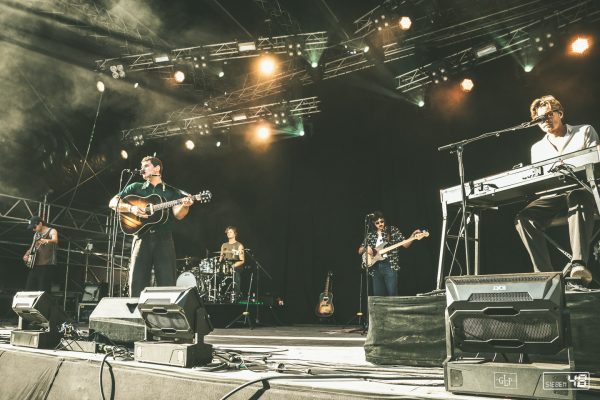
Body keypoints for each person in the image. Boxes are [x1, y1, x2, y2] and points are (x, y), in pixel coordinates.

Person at [515, 95, 599, 285]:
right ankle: (545, 276)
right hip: (554, 194)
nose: (544, 121)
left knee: (578, 196)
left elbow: (595, 162)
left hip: (583, 189)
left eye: (548, 115)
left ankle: (579, 264)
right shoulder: (536, 148)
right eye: (539, 119)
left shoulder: (584, 131)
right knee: (523, 218)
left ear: (560, 113)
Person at [109, 156, 194, 297]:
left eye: (146, 166)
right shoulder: (135, 187)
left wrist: (185, 206)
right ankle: (136, 316)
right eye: (141, 166)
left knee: (167, 283)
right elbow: (113, 203)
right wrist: (132, 209)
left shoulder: (171, 191)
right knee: (136, 281)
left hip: (164, 239)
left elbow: (178, 215)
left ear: (157, 168)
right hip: (141, 238)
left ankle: (166, 317)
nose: (142, 169)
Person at [358, 212, 420, 296]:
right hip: (375, 267)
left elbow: (405, 244)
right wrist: (366, 248)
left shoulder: (392, 230)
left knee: (392, 295)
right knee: (378, 296)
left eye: (382, 221)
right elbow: (360, 250)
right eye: (377, 222)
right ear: (373, 223)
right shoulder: (370, 235)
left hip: (389, 265)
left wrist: (413, 236)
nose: (380, 224)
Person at [22, 216, 59, 291]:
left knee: (43, 290)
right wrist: (26, 255)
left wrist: (46, 240)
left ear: (40, 224)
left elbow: (55, 240)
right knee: (29, 289)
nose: (33, 229)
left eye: (34, 227)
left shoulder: (52, 230)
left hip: (47, 266)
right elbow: (32, 247)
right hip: (35, 266)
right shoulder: (36, 234)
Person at [219, 226, 245, 301]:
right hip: (226, 267)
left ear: (235, 234)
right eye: (227, 232)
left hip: (236, 266)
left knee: (235, 273)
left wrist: (232, 266)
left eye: (230, 232)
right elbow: (221, 258)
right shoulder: (224, 245)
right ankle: (221, 295)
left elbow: (242, 260)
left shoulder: (239, 245)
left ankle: (236, 295)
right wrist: (218, 265)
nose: (228, 233)